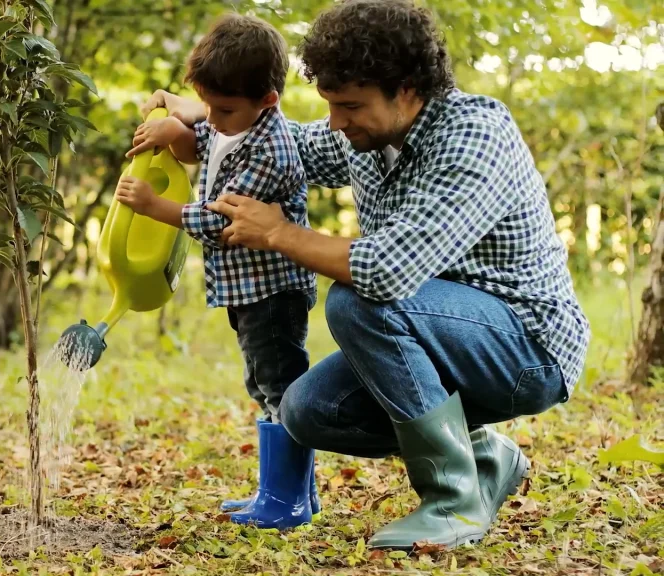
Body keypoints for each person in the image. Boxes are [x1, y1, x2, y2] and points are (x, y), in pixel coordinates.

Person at [133, 0, 591, 551]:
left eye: (349, 106)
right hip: (440, 331)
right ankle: (486, 459)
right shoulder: (368, 138)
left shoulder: (473, 136)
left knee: (356, 299)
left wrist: (277, 232)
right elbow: (286, 142)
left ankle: (453, 503)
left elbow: (385, 270)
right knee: (305, 410)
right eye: (331, 105)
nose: (336, 122)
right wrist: (207, 111)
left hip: (526, 346)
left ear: (407, 89)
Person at [113, 13, 320, 530]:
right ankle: (290, 492)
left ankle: (287, 501)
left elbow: (221, 220)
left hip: (273, 290)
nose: (212, 118)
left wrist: (155, 206)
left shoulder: (272, 149)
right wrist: (175, 129)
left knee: (279, 386)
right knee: (263, 384)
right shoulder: (232, 122)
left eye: (223, 109)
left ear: (267, 100)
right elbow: (203, 141)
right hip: (247, 288)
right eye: (207, 106)